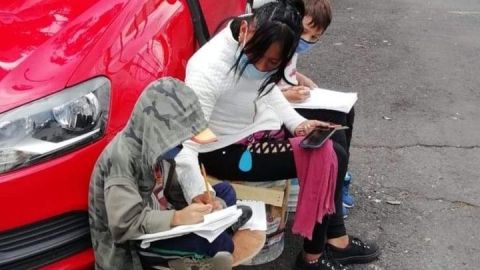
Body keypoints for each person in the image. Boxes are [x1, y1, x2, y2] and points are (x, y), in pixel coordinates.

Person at [174, 1, 380, 270]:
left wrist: (297, 125)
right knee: (327, 152)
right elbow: (188, 148)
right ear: (246, 30)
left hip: (259, 127)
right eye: (257, 58)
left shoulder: (264, 42)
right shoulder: (208, 68)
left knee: (338, 125)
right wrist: (199, 199)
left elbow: (267, 88)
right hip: (224, 149)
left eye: (272, 63)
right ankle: (313, 256)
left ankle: (335, 236)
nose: (262, 67)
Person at [88, 78, 237, 270]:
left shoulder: (156, 145)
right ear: (160, 131)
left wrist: (197, 199)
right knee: (223, 245)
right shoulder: (121, 160)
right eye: (178, 141)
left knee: (225, 191)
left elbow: (172, 189)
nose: (181, 146)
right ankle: (196, 250)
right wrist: (178, 218)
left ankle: (218, 225)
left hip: (163, 218)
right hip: (138, 242)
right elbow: (124, 225)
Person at [278, 0, 356, 217]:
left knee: (346, 112)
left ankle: (340, 181)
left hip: (293, 102)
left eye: (314, 38)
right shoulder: (277, 39)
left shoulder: (290, 46)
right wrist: (286, 94)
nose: (306, 40)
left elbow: (288, 70)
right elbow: (257, 92)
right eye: (304, 32)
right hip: (280, 111)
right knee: (335, 128)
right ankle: (333, 200)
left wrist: (301, 78)